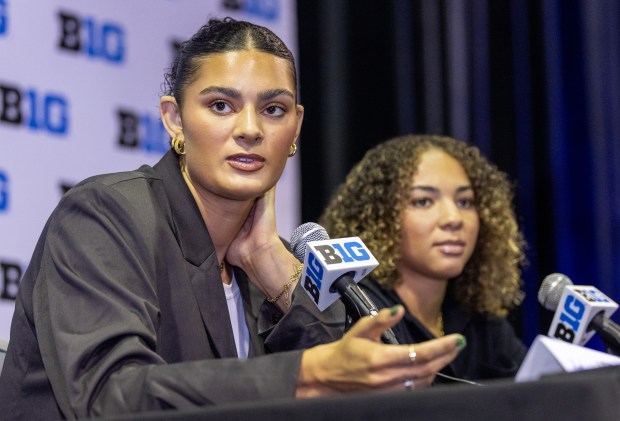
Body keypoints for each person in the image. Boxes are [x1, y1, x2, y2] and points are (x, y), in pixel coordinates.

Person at [0, 19, 466, 419]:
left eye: (273, 109)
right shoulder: (105, 214)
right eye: (221, 105)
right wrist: (305, 375)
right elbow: (109, 398)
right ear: (174, 119)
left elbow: (374, 396)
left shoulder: (266, 256)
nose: (249, 129)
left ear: (296, 127)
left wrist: (275, 268)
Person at [319, 134, 528, 383]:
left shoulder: (479, 321)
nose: (453, 218)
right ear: (380, 217)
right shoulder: (355, 310)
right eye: (423, 201)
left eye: (465, 201)